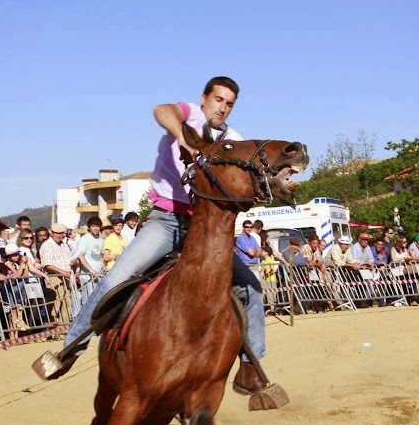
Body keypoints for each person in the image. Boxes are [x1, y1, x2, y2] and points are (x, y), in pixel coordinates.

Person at [37, 76, 284, 401]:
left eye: (229, 103)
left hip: (205, 230)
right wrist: (183, 136)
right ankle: (69, 351)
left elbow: (252, 165)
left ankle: (250, 369)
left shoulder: (231, 139)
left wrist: (279, 177)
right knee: (118, 277)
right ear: (204, 98)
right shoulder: (188, 115)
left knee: (250, 287)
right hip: (166, 221)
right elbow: (161, 110)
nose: (223, 107)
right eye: (218, 99)